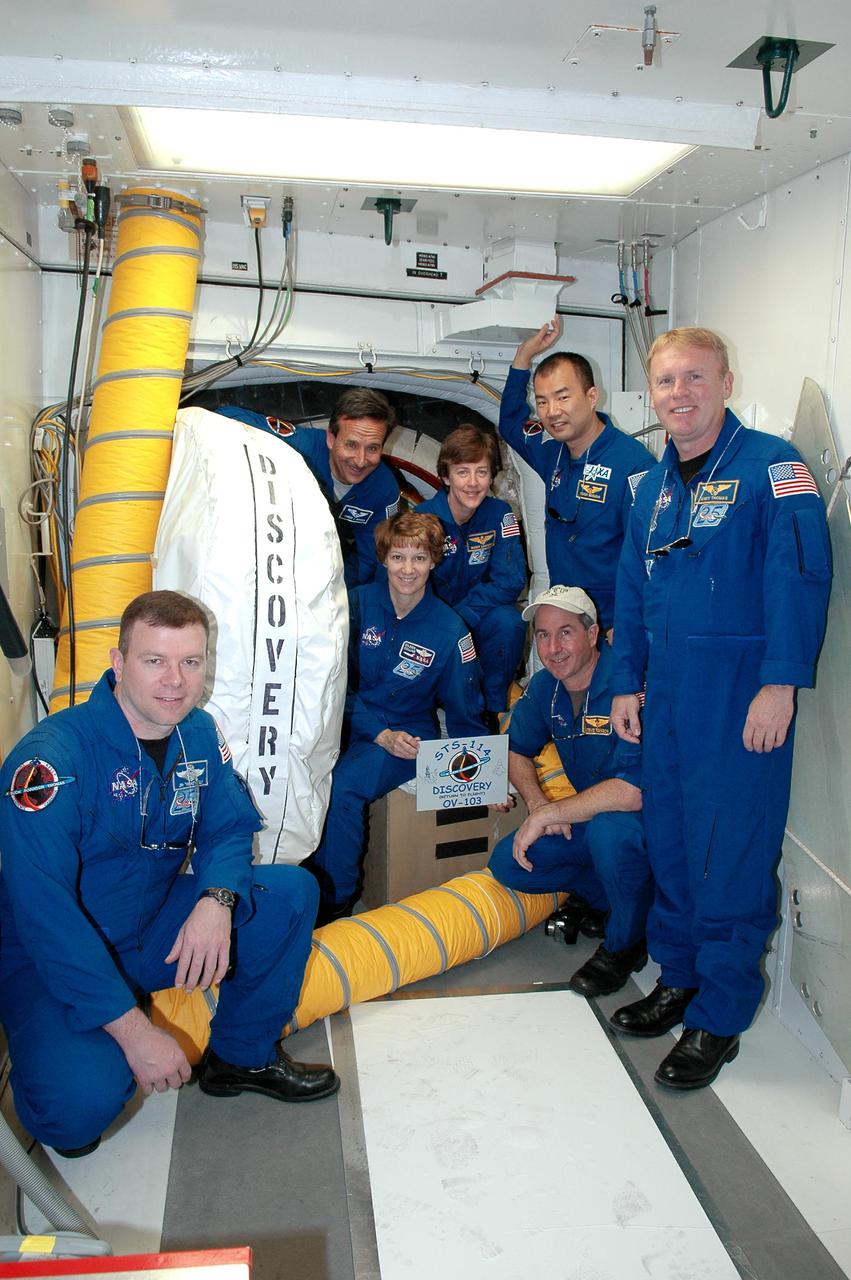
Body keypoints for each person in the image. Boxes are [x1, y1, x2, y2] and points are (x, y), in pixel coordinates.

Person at [0, 591, 339, 1158]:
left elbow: (229, 829)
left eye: (191, 662)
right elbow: (46, 917)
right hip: (51, 957)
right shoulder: (52, 762)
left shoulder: (197, 734)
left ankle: (241, 1055)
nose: (176, 681)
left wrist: (216, 899)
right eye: (155, 661)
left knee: (289, 893)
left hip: (150, 926)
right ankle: (62, 1062)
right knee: (79, 1106)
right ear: (119, 663)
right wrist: (133, 1032)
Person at [610, 326, 832, 1089]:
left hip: (739, 693)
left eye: (694, 378)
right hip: (666, 693)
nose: (680, 394)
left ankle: (720, 1015)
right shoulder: (651, 486)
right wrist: (621, 682)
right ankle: (678, 976)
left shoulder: (773, 468)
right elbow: (631, 593)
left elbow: (798, 579)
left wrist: (779, 684)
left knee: (730, 853)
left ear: (725, 383)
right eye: (667, 381)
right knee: (668, 838)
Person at [305, 511, 487, 923]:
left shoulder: (451, 630)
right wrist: (374, 729)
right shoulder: (354, 604)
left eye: (419, 559)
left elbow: (464, 713)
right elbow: (329, 681)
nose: (408, 569)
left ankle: (336, 895)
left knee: (343, 785)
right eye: (399, 557)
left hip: (407, 733)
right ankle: (295, 868)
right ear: (384, 558)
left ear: (434, 562)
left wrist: (481, 778)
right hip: (346, 716)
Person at [488, 586, 652, 996]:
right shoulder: (546, 687)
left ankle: (625, 944)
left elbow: (634, 793)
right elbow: (513, 749)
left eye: (565, 632)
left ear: (593, 634)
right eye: (543, 635)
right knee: (510, 863)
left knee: (609, 835)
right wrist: (538, 802)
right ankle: (611, 899)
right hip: (589, 819)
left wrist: (549, 815)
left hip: (646, 828)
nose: (553, 647)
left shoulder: (627, 685)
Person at [498, 316, 654, 630]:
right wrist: (523, 357)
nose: (552, 411)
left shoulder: (634, 465)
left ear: (592, 396)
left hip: (612, 623)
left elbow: (648, 555)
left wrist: (627, 625)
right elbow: (511, 424)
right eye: (542, 401)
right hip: (566, 612)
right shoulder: (552, 451)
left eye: (563, 397)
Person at [219, 387, 400, 588]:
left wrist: (335, 591)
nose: (360, 460)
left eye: (372, 448)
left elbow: (372, 559)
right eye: (351, 445)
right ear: (331, 438)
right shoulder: (299, 446)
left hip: (326, 562)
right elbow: (225, 417)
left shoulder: (384, 490)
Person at [418, 424, 527, 721]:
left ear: (492, 475)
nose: (473, 482)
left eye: (481, 471)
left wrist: (464, 615)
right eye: (462, 472)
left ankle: (492, 707)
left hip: (476, 617)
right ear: (445, 476)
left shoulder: (499, 514)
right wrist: (448, 623)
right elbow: (407, 588)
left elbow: (513, 579)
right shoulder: (422, 520)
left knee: (509, 621)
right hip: (432, 624)